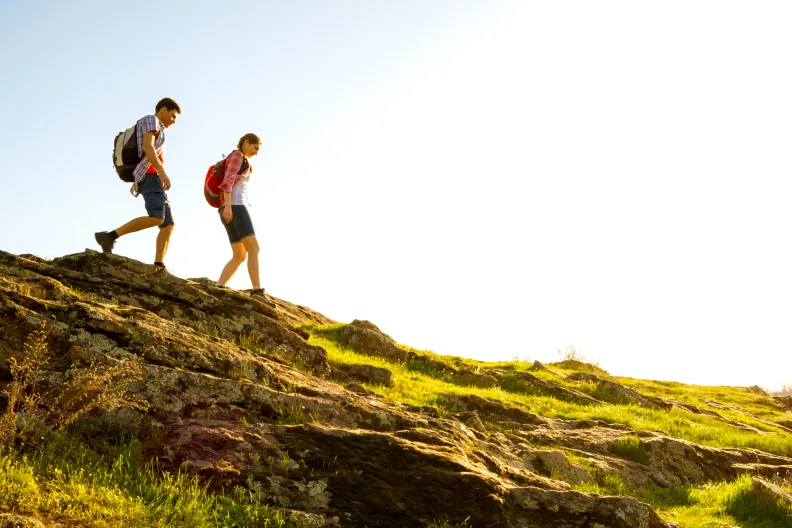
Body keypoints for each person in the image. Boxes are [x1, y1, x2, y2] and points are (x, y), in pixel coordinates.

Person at [94, 98, 181, 270]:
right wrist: (162, 173)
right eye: (173, 116)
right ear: (163, 109)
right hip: (149, 175)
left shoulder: (160, 130)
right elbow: (148, 148)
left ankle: (158, 264)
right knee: (157, 217)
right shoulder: (152, 120)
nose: (174, 121)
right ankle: (110, 236)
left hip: (154, 177)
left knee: (168, 224)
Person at [215, 133, 275, 306]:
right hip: (235, 207)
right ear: (246, 143)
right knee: (254, 248)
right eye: (255, 147)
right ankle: (257, 290)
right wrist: (228, 206)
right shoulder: (238, 156)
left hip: (229, 208)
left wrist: (225, 207)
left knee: (240, 254)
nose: (257, 152)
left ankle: (219, 287)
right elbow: (228, 182)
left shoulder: (237, 158)